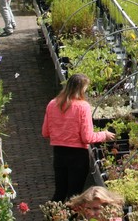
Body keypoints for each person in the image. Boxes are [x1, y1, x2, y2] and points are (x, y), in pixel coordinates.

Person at [42, 74, 116, 202]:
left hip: (59, 154)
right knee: (74, 196)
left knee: (59, 193)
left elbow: (45, 132)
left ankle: (52, 216)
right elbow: (87, 137)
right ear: (81, 89)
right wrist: (104, 134)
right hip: (77, 156)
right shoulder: (83, 107)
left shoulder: (52, 104)